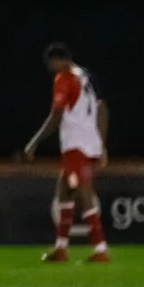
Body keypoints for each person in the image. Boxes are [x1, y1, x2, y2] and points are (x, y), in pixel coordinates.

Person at [22, 43, 110, 263]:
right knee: (64, 190)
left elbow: (56, 115)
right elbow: (102, 109)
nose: (50, 68)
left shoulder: (65, 78)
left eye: (51, 63)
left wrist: (34, 143)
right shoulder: (86, 76)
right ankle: (61, 249)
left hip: (75, 143)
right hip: (90, 141)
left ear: (59, 60)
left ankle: (100, 249)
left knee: (83, 190)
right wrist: (101, 143)